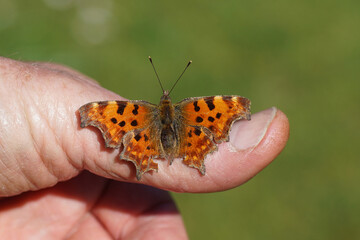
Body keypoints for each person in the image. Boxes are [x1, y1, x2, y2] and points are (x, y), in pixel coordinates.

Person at [0, 57, 289, 239]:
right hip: (187, 135)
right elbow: (95, 113)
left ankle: (167, 155)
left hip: (145, 138)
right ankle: (193, 154)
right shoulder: (197, 109)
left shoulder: (133, 111)